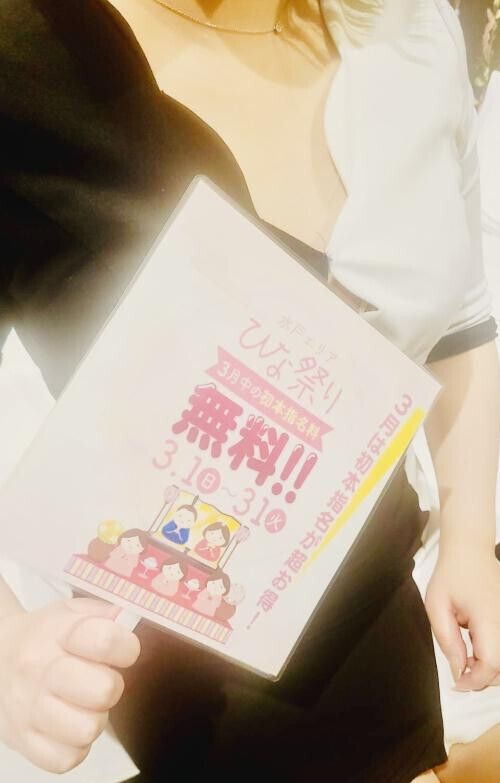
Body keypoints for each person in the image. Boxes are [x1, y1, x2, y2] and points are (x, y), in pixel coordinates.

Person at [0, 1, 499, 781]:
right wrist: (6, 649)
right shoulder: (25, 64)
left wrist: (469, 534)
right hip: (183, 648)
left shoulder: (407, 27)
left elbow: (460, 311)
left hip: (381, 600)